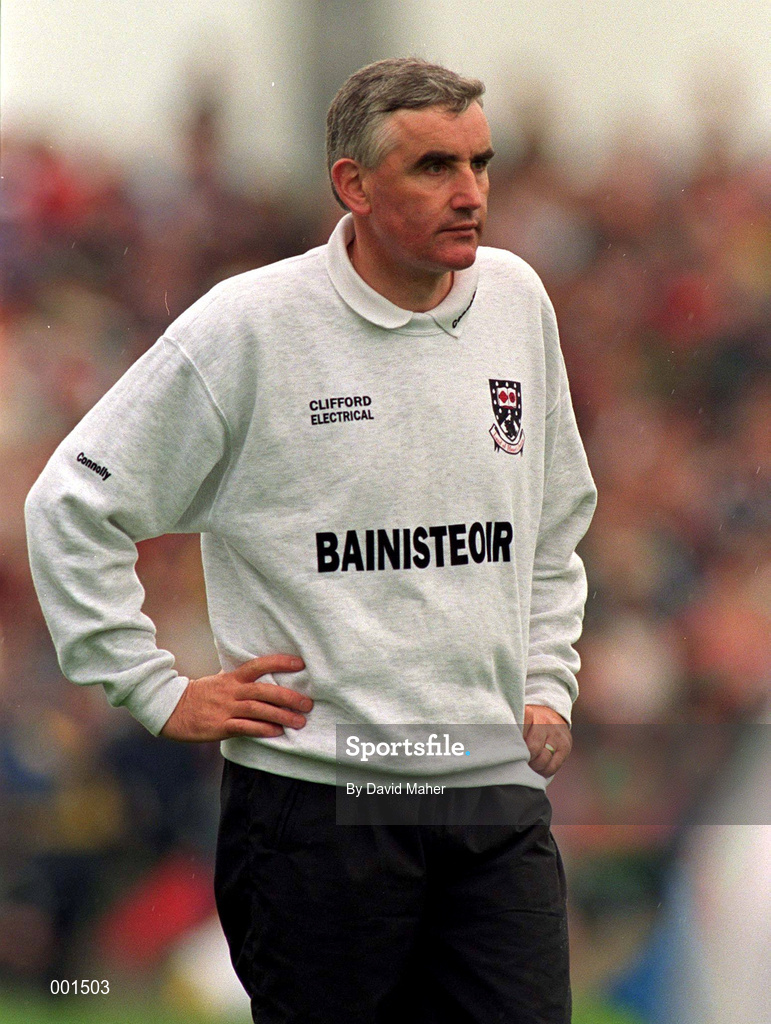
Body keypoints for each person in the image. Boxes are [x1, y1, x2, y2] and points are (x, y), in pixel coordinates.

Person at [25, 58, 596, 1023]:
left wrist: (546, 680)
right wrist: (154, 688)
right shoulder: (249, 325)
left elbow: (556, 516)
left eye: (480, 162)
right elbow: (71, 505)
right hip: (318, 811)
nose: (471, 194)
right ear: (353, 184)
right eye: (433, 168)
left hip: (490, 799)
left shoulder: (515, 299)